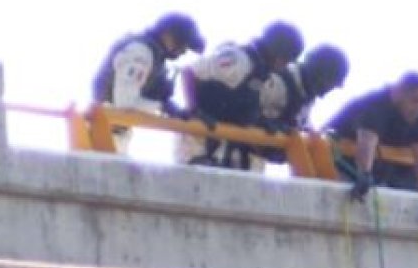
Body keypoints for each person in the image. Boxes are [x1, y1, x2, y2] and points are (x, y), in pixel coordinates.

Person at [178, 21, 305, 169]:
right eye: (286, 59)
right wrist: (193, 109)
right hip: (197, 139)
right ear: (277, 53)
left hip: (222, 142)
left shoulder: (262, 73)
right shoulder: (238, 60)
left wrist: (260, 121)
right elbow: (190, 71)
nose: (284, 65)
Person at [326, 72, 418, 227]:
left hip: (374, 167)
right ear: (398, 93)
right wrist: (364, 174)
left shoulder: (416, 115)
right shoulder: (376, 104)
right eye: (415, 101)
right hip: (338, 161)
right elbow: (366, 141)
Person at [91, 14, 205, 151]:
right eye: (182, 43)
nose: (184, 51)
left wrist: (181, 112)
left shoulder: (155, 57)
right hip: (103, 134)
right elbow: (125, 103)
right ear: (167, 36)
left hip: (114, 133)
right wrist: (162, 107)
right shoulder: (140, 53)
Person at [246, 44, 350, 171]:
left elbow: (299, 124)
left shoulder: (306, 93)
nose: (333, 88)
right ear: (319, 75)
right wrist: (261, 121)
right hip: (235, 154)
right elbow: (242, 108)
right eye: (332, 81)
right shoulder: (278, 83)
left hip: (255, 161)